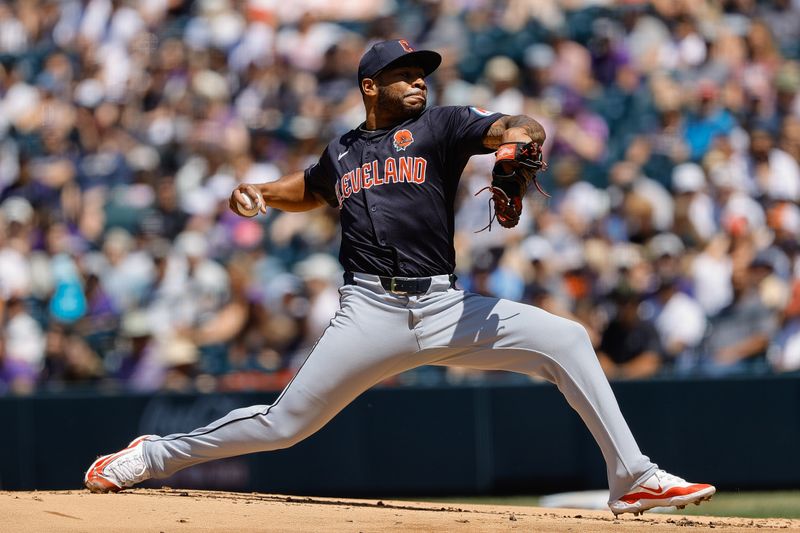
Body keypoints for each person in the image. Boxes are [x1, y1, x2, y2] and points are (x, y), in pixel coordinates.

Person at [84, 39, 715, 516]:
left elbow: (517, 127)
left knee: (568, 339)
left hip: (447, 307)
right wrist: (258, 193)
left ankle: (632, 477)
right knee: (283, 426)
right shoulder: (342, 152)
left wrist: (513, 150)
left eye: (421, 75)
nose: (418, 83)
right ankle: (150, 455)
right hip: (368, 314)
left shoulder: (437, 127)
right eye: (404, 75)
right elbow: (307, 188)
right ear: (369, 86)